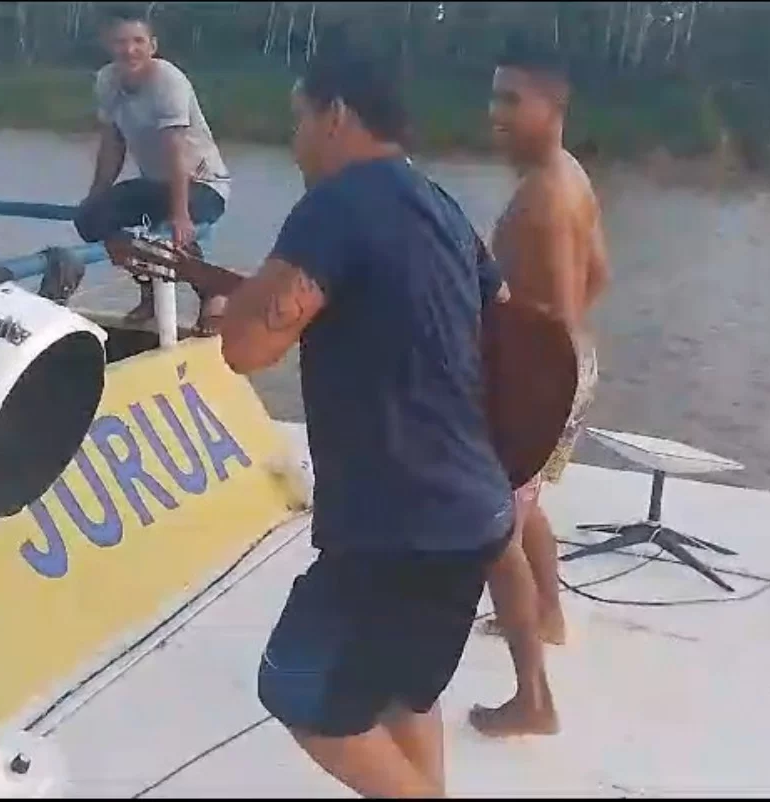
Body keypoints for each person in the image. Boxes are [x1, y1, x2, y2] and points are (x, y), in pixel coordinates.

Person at [219, 43, 513, 798]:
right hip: (475, 509)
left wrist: (243, 300)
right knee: (402, 691)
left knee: (299, 689)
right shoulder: (439, 205)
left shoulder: (337, 202)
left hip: (397, 528)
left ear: (336, 115)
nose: (295, 142)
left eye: (299, 120)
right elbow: (504, 319)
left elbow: (245, 347)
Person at [468, 40, 610, 739]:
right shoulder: (569, 173)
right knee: (525, 506)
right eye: (494, 96)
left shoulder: (546, 199)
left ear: (552, 106)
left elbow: (555, 314)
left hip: (543, 379)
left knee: (496, 529)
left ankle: (533, 698)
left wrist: (516, 377)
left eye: (510, 99)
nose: (495, 113)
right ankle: (548, 614)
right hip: (572, 368)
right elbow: (600, 272)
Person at [77, 6, 230, 335]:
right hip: (156, 184)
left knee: (163, 231)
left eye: (138, 41)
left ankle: (212, 294)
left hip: (203, 184)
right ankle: (149, 289)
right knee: (89, 219)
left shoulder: (168, 81)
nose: (129, 50)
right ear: (108, 45)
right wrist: (96, 197)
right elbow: (112, 144)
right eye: (121, 42)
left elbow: (176, 149)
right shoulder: (106, 81)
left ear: (153, 46)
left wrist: (180, 214)